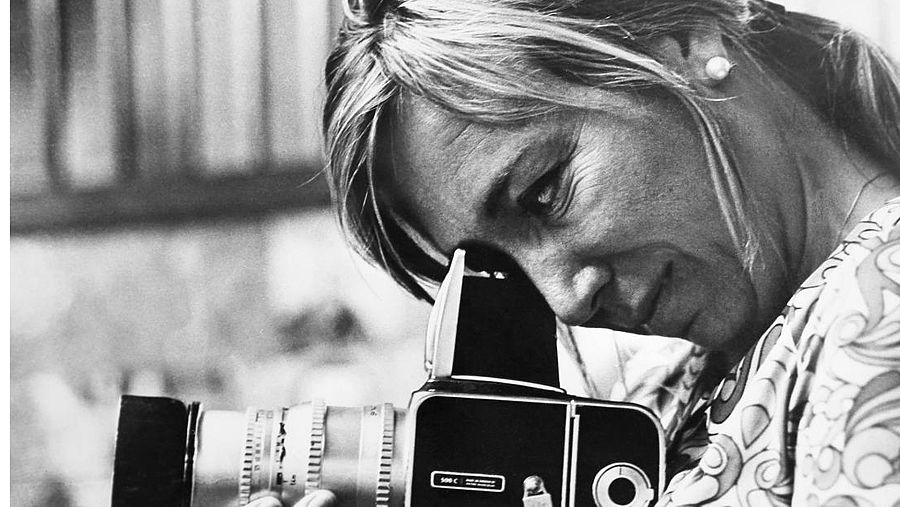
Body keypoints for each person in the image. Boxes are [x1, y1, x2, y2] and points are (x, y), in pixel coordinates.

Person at [255, 0, 900, 505]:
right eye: (506, 271)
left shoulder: (881, 309)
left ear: (689, 40)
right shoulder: (669, 388)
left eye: (544, 193)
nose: (565, 301)